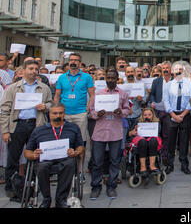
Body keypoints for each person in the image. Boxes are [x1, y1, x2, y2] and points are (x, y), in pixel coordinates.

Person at [0, 60, 53, 199]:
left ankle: (33, 186)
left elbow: (51, 103)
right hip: (18, 125)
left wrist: (45, 106)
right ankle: (11, 187)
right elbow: (5, 110)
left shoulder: (44, 88)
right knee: (13, 158)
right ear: (23, 70)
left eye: (36, 69)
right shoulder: (13, 88)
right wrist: (5, 131)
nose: (34, 71)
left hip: (36, 125)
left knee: (36, 157)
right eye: (31, 68)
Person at [24, 102, 85, 208]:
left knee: (69, 164)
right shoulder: (39, 130)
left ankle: (61, 200)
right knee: (42, 167)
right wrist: (33, 155)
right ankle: (46, 199)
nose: (58, 116)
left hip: (66, 158)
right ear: (49, 114)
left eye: (61, 113)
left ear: (64, 113)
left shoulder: (73, 128)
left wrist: (76, 152)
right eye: (55, 113)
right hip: (45, 160)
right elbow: (27, 151)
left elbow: (81, 146)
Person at [89, 69, 130, 199]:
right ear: (106, 78)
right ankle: (96, 186)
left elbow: (127, 110)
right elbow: (91, 111)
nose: (110, 80)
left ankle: (111, 186)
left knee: (115, 161)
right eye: (108, 78)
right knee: (97, 161)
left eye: (113, 78)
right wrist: (97, 114)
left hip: (115, 131)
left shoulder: (122, 94)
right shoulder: (99, 93)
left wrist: (121, 112)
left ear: (117, 79)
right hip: (100, 131)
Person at [54, 53, 94, 170]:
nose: (73, 62)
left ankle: (80, 170)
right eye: (71, 60)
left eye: (76, 60)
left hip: (80, 114)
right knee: (62, 142)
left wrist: (88, 107)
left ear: (80, 63)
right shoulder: (62, 77)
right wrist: (56, 110)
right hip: (64, 114)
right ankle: (62, 169)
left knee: (80, 143)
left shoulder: (87, 77)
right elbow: (57, 95)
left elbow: (92, 95)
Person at [163, 62, 191, 175]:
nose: (178, 71)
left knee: (184, 141)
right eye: (176, 69)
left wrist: (183, 114)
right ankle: (170, 165)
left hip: (185, 115)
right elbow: (166, 101)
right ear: (172, 71)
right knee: (171, 141)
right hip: (172, 115)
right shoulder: (168, 85)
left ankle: (184, 164)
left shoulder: (189, 84)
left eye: (180, 69)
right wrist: (174, 115)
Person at [127, 108, 161, 185]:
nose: (147, 117)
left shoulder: (157, 123)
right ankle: (143, 167)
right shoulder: (137, 122)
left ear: (153, 116)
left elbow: (158, 133)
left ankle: (152, 166)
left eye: (149, 115)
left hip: (152, 141)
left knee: (153, 140)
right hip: (141, 141)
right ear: (142, 116)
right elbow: (129, 134)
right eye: (145, 115)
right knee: (143, 142)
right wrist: (133, 132)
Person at [150, 61, 172, 165]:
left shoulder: (175, 81)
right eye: (163, 68)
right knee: (157, 134)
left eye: (167, 68)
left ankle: (165, 157)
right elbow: (152, 94)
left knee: (167, 135)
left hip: (170, 112)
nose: (165, 69)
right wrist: (153, 102)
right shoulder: (156, 81)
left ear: (171, 69)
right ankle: (156, 156)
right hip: (158, 111)